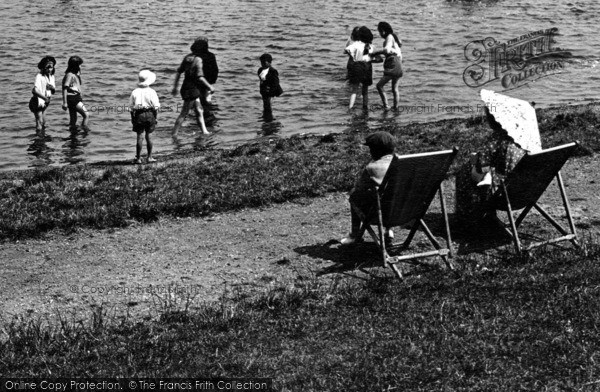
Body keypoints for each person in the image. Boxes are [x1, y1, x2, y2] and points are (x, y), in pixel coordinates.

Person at [455, 107, 527, 228]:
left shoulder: (496, 139)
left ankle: (470, 219)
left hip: (503, 193)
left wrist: (474, 161)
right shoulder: (521, 138)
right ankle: (486, 216)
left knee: (465, 172)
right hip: (524, 190)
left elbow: (481, 167)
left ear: (493, 120)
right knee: (491, 174)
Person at [341, 131, 396, 245]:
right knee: (392, 193)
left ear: (375, 151)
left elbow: (359, 187)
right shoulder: (402, 164)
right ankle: (389, 229)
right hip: (403, 211)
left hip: (380, 215)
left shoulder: (372, 168)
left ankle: (354, 235)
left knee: (354, 196)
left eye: (371, 149)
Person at [172, 37, 215, 136]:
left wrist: (175, 87)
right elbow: (200, 77)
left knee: (199, 110)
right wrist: (210, 86)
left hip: (185, 87)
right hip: (193, 89)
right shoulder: (198, 60)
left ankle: (204, 131)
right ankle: (174, 134)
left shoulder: (187, 58)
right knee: (184, 113)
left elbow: (179, 72)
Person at [129, 70, 160, 164]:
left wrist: (132, 118)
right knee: (149, 135)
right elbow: (156, 107)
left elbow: (131, 108)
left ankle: (138, 158)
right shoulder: (152, 92)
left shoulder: (135, 92)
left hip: (139, 115)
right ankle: (149, 157)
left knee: (139, 136)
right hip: (150, 114)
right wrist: (155, 117)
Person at [344, 26, 377, 110]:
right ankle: (365, 107)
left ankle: (350, 108)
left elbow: (345, 50)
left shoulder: (356, 44)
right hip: (368, 68)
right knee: (365, 91)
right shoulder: (371, 46)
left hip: (357, 67)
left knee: (354, 90)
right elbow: (377, 58)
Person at [373, 21, 403, 110]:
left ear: (383, 31)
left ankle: (386, 106)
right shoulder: (394, 38)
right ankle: (396, 108)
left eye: (379, 31)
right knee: (395, 89)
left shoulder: (389, 37)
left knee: (379, 86)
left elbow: (386, 50)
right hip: (399, 65)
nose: (379, 34)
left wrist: (375, 53)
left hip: (393, 65)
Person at [61, 56, 90, 131]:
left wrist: (79, 71)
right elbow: (65, 88)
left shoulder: (74, 74)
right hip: (73, 99)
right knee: (86, 115)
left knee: (73, 120)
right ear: (75, 66)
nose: (81, 67)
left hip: (74, 98)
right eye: (79, 65)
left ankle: (73, 136)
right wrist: (64, 103)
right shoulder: (70, 75)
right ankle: (85, 131)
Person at [29, 56, 57, 133]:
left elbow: (53, 91)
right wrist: (44, 98)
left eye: (51, 67)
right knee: (39, 121)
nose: (49, 69)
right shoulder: (39, 76)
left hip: (45, 102)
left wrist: (52, 88)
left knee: (44, 122)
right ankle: (39, 139)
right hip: (37, 101)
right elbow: (34, 91)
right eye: (47, 67)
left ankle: (42, 137)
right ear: (43, 67)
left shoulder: (51, 77)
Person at [257, 53, 283, 120]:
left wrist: (270, 90)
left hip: (271, 91)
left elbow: (275, 83)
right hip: (264, 90)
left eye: (264, 62)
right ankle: (267, 117)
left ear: (269, 62)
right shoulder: (260, 70)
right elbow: (261, 80)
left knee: (268, 104)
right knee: (265, 104)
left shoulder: (273, 71)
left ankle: (269, 118)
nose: (262, 64)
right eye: (261, 62)